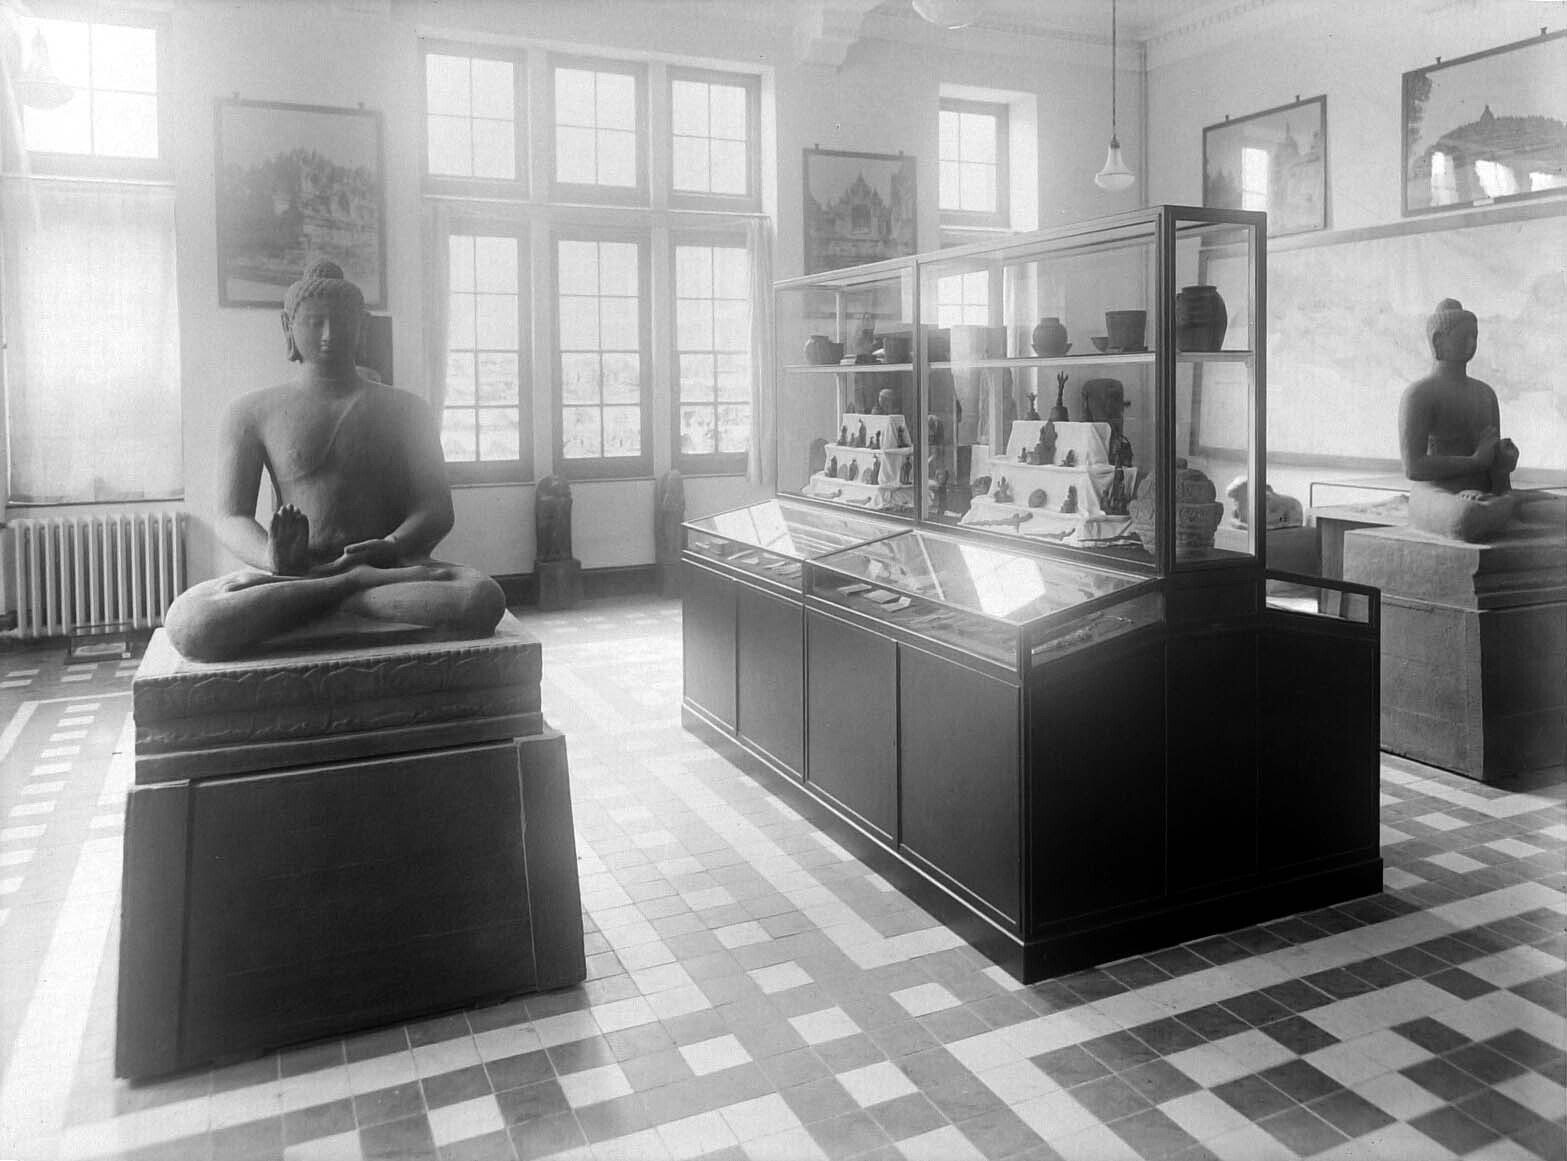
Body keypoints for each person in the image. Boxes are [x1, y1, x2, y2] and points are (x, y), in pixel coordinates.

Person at [164, 260, 505, 661]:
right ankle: (347, 589)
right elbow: (230, 516)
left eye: (342, 322)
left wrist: (391, 545)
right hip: (298, 574)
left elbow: (436, 509)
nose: (329, 334)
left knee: (480, 597)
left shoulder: (408, 409)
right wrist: (272, 556)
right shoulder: (249, 413)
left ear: (362, 328)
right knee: (192, 621)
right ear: (288, 326)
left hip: (387, 572)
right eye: (314, 322)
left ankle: (330, 596)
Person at [1397, 298, 1520, 542]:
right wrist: (1474, 462)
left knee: (1560, 512)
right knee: (1465, 516)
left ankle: (1500, 508)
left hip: (1485, 493)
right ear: (1438, 341)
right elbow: (1414, 467)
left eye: (1475, 336)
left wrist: (1502, 465)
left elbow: (1495, 471)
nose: (1471, 343)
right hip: (1437, 492)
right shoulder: (1420, 394)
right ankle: (1503, 508)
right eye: (1464, 337)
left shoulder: (1485, 393)